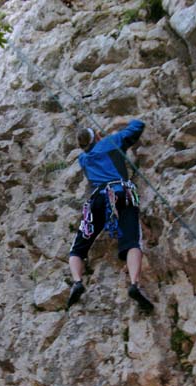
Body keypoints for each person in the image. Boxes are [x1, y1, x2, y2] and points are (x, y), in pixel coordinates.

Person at [68, 118, 154, 312]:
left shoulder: (83, 159)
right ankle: (134, 284)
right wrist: (119, 124)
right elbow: (138, 126)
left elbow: (91, 150)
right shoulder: (110, 142)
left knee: (77, 248)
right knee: (132, 241)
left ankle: (77, 281)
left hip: (96, 199)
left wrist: (97, 139)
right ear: (97, 137)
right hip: (121, 192)